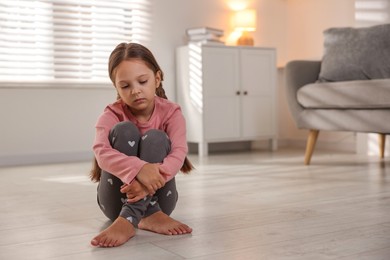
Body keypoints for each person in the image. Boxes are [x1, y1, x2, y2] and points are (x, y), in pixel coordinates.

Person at [89, 42, 194, 247]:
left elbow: (179, 153)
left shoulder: (171, 112)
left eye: (142, 81)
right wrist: (140, 169)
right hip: (115, 203)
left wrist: (145, 186)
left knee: (156, 137)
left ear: (157, 78)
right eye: (126, 86)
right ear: (116, 87)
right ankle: (133, 216)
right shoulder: (112, 113)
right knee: (124, 130)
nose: (135, 91)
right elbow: (100, 151)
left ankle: (136, 217)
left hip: (161, 201)